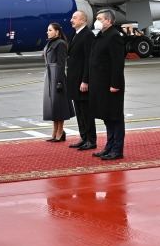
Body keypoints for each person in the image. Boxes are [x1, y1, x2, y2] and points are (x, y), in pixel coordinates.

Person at [88, 9, 127, 159]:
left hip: (111, 85)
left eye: (100, 18)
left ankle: (117, 149)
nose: (97, 21)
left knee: (115, 117)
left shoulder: (114, 36)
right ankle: (109, 146)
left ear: (109, 21)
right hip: (100, 84)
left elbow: (117, 63)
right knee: (107, 116)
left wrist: (115, 84)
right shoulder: (101, 36)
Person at [66, 10, 97, 150]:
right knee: (79, 111)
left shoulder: (88, 35)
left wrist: (86, 80)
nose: (71, 20)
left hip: (82, 81)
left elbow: (88, 60)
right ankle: (83, 137)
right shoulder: (76, 34)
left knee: (86, 111)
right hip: (74, 80)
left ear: (83, 20)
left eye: (74, 18)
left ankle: (91, 140)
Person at [42, 22, 74, 142]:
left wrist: (59, 81)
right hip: (50, 75)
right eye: (48, 30)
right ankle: (55, 131)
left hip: (56, 76)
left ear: (57, 32)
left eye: (50, 30)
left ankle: (60, 131)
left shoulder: (60, 43)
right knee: (52, 106)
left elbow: (61, 64)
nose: (47, 32)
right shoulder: (50, 42)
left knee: (59, 105)